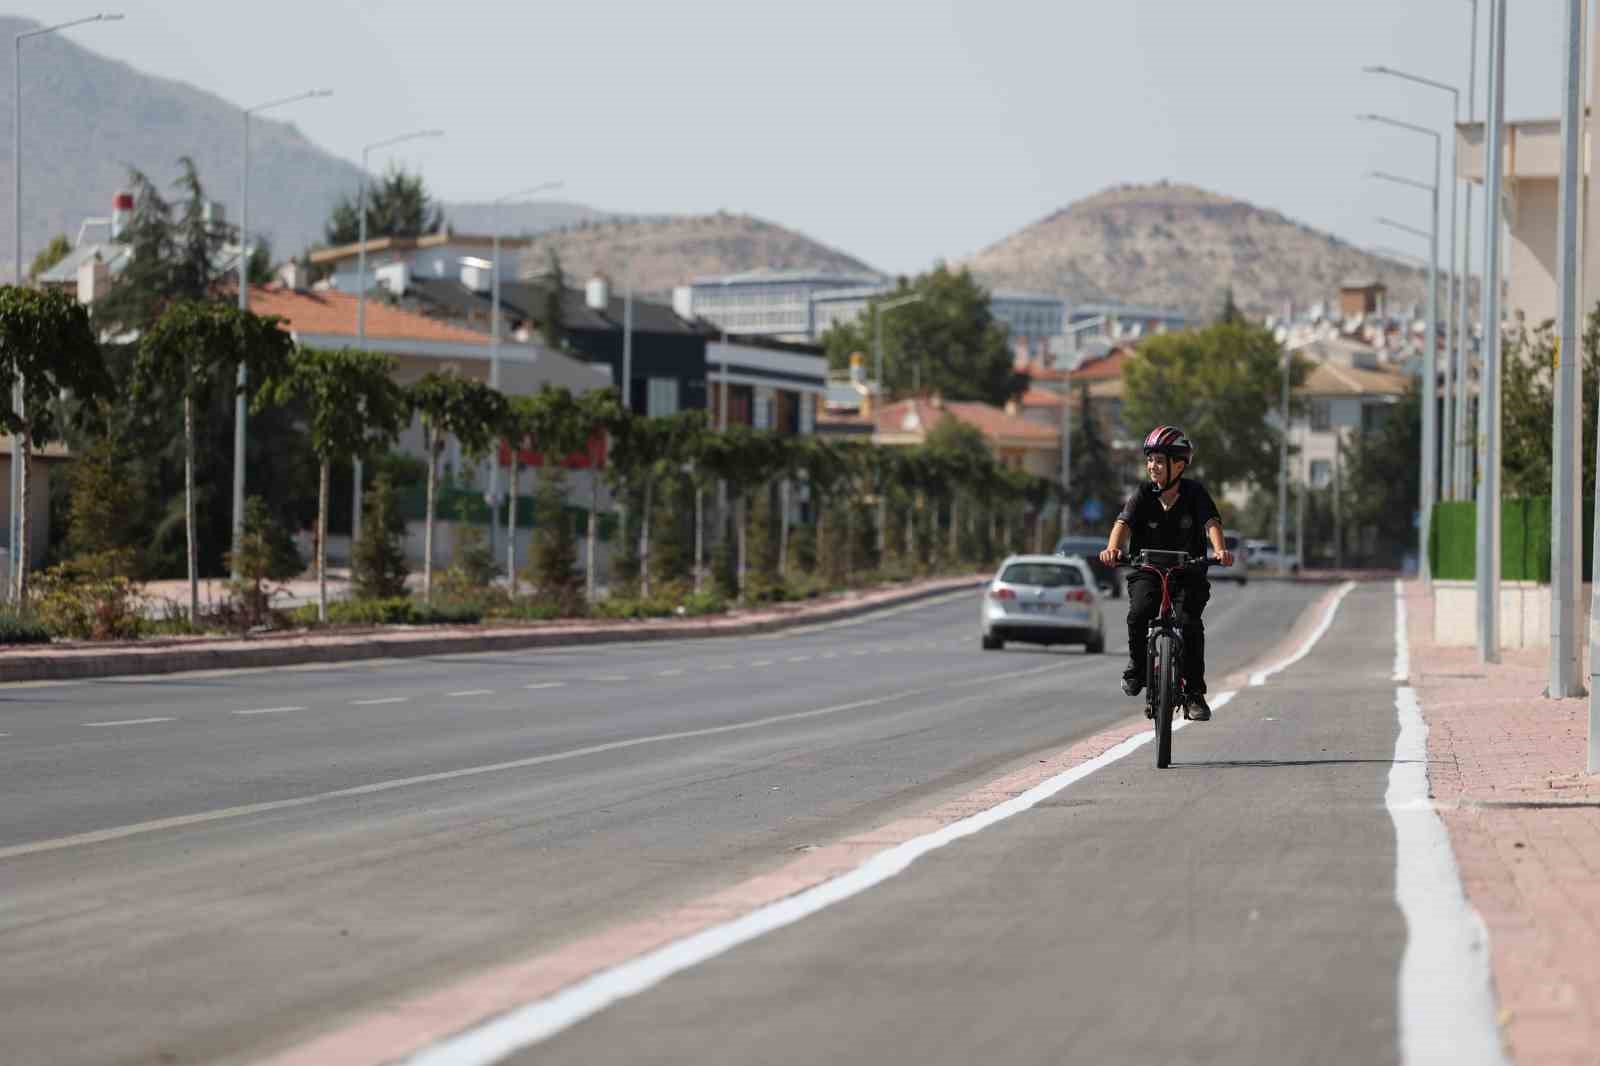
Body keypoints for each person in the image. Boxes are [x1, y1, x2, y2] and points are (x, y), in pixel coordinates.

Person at [1098, 425, 1234, 721]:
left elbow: (1211, 523)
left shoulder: (1195, 493)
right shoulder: (1143, 493)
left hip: (1188, 573)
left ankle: (1195, 694)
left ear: (1179, 464)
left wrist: (1220, 550)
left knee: (1189, 624)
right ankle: (1137, 669)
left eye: (1159, 461)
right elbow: (1123, 524)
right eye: (1149, 460)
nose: (1152, 467)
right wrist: (1112, 548)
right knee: (1139, 613)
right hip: (1147, 570)